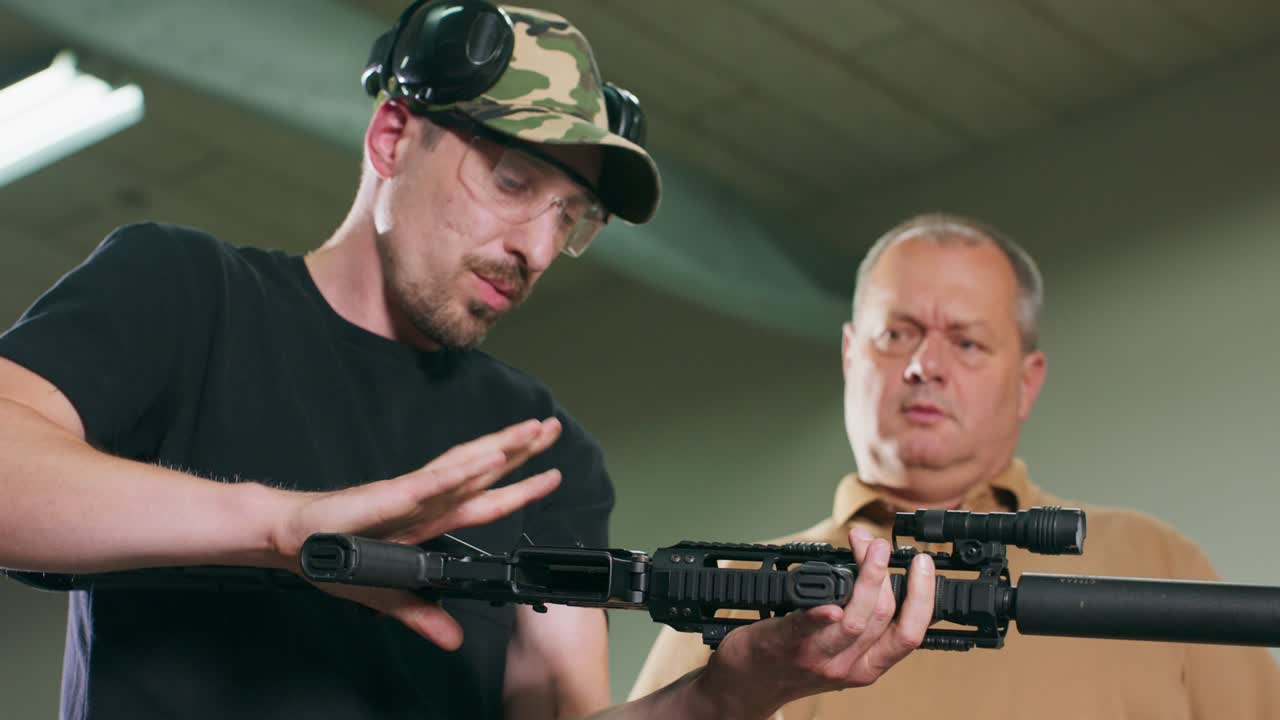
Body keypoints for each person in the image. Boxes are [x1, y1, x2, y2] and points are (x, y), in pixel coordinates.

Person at [0, 3, 937, 719]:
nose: (534, 246)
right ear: (391, 136)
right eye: (513, 180)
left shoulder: (540, 450)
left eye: (569, 219)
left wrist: (733, 692)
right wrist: (289, 529)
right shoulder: (186, 293)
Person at [630, 213, 1280, 718]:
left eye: (966, 342)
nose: (924, 366)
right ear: (851, 356)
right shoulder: (726, 588)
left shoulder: (1154, 562)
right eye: (897, 334)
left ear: (1027, 382)